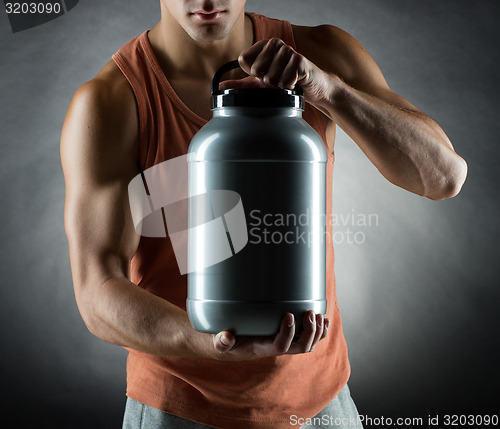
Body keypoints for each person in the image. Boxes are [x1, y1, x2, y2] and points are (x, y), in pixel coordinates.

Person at [60, 1, 467, 428]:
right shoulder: (112, 101)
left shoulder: (320, 54)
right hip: (178, 408)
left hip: (320, 404)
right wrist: (209, 341)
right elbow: (97, 291)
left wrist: (330, 91)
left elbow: (444, 176)